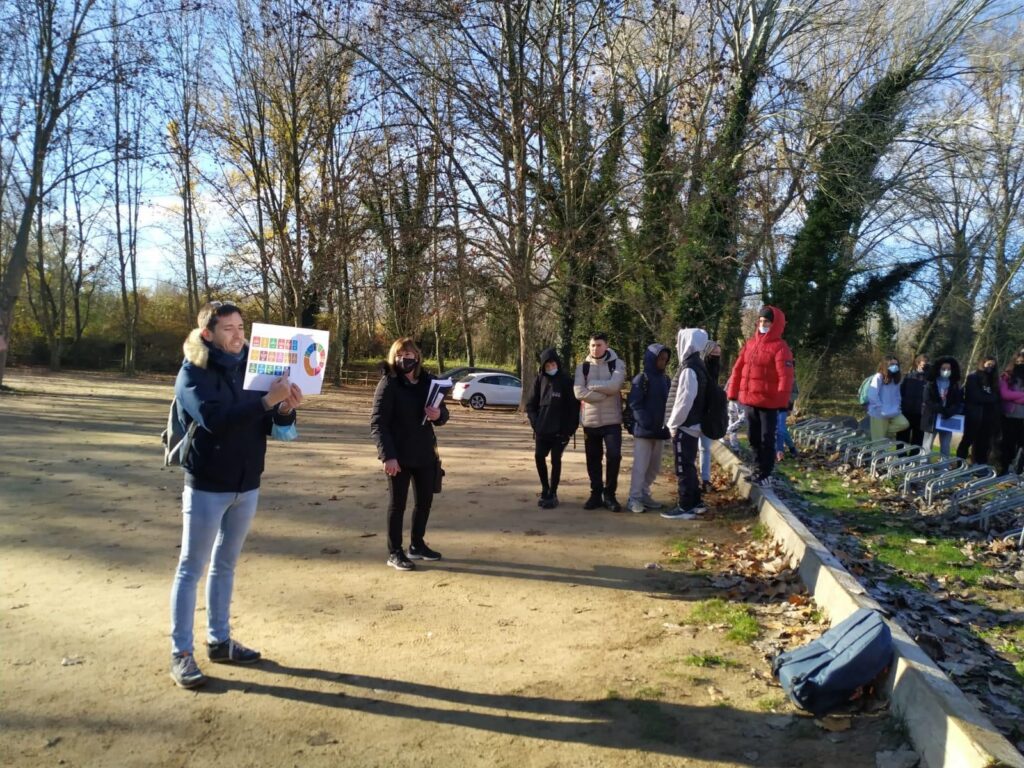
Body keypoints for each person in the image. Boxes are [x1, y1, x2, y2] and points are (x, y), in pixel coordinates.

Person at [168, 301, 302, 689]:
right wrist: (266, 401)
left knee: (225, 564)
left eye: (241, 327)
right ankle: (181, 652)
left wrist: (285, 409)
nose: (238, 335)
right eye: (228, 329)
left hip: (248, 483)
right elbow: (215, 421)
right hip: (208, 485)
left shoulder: (251, 370)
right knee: (191, 568)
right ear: (207, 334)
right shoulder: (192, 372)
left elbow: (270, 424)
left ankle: (220, 641)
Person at [370, 337, 450, 571]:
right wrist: (388, 456)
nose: (403, 359)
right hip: (398, 456)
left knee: (424, 502)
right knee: (398, 505)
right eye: (398, 355)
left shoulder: (429, 382)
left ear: (417, 357)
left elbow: (443, 413)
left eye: (408, 355)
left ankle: (417, 545)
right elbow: (378, 423)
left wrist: (439, 415)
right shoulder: (389, 383)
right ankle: (395, 552)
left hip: (425, 453)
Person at [726, 306, 795, 486]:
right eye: (761, 321)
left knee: (766, 438)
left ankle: (765, 471)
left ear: (775, 324)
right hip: (750, 400)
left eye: (767, 322)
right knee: (753, 437)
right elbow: (738, 369)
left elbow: (785, 376)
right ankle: (757, 467)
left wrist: (782, 401)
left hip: (769, 402)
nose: (763, 324)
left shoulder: (780, 348)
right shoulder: (750, 344)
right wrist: (733, 392)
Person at [662, 328, 711, 519]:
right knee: (689, 464)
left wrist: (673, 424)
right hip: (693, 424)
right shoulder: (698, 365)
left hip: (686, 425)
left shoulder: (689, 368)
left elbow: (684, 400)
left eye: (679, 341)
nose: (676, 345)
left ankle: (685, 506)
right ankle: (696, 501)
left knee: (683, 466)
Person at [574, 332, 626, 511]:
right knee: (593, 459)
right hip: (590, 422)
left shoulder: (617, 364)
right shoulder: (582, 367)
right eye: (592, 345)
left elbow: (615, 386)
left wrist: (591, 385)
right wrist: (603, 395)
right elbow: (578, 392)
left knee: (614, 456)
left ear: (606, 346)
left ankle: (610, 495)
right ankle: (595, 494)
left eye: (599, 345)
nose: (595, 349)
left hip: (612, 422)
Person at [526, 348, 580, 509]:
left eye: (553, 364)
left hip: (560, 432)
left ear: (557, 363)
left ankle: (553, 492)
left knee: (556, 460)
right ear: (543, 367)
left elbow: (574, 409)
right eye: (547, 365)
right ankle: (545, 487)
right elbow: (530, 405)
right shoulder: (539, 380)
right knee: (539, 457)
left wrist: (569, 430)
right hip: (542, 430)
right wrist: (536, 423)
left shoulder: (567, 381)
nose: (551, 367)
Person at [626, 343, 672, 513]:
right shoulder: (641, 379)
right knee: (640, 466)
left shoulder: (666, 380)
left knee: (654, 467)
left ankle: (644, 494)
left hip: (660, 431)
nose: (663, 362)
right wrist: (645, 421)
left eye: (665, 359)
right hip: (644, 431)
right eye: (660, 359)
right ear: (652, 359)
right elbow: (634, 403)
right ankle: (634, 498)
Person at [957, 356, 1001, 465]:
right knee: (967, 440)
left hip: (988, 417)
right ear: (983, 363)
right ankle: (959, 463)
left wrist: (990, 398)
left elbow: (997, 397)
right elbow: (975, 396)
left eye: (993, 365)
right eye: (989, 364)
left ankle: (980, 465)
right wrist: (991, 398)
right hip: (974, 415)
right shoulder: (973, 377)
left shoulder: (994, 380)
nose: (990, 367)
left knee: (983, 444)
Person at [921, 356, 963, 457]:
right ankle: (923, 465)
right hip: (932, 418)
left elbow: (958, 402)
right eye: (943, 369)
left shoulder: (954, 385)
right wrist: (939, 409)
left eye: (948, 369)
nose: (946, 371)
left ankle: (944, 465)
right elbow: (927, 400)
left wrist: (950, 411)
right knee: (927, 446)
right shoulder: (931, 383)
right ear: (938, 369)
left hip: (947, 419)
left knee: (945, 446)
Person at [695, 340, 722, 492]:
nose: (716, 356)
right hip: (695, 413)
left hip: (709, 414)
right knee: (694, 448)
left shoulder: (715, 369)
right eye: (713, 353)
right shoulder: (698, 369)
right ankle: (693, 478)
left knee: (705, 448)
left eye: (718, 354)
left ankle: (705, 479)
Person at [865, 357, 909, 441]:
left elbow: (897, 395)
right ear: (885, 365)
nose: (895, 366)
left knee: (904, 424)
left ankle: (881, 432)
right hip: (879, 413)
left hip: (893, 411)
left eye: (896, 364)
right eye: (892, 364)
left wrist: (898, 406)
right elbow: (872, 394)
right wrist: (880, 408)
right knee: (878, 443)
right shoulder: (878, 377)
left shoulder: (895, 379)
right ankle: (878, 434)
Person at [998, 350, 1024, 474]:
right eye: (1018, 361)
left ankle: (1018, 469)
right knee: (1007, 444)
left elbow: (1010, 395)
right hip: (1009, 416)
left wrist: (1015, 397)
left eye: (1022, 362)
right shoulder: (1006, 376)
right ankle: (1004, 468)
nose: (1020, 364)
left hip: (1022, 417)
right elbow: (1005, 394)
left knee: (1021, 445)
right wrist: (1022, 396)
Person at [897, 354, 929, 444]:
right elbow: (900, 393)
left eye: (927, 364)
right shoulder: (907, 377)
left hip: (921, 414)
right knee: (902, 438)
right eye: (923, 364)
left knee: (917, 440)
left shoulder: (929, 380)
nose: (924, 367)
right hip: (906, 412)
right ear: (918, 363)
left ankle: (914, 453)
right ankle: (901, 453)